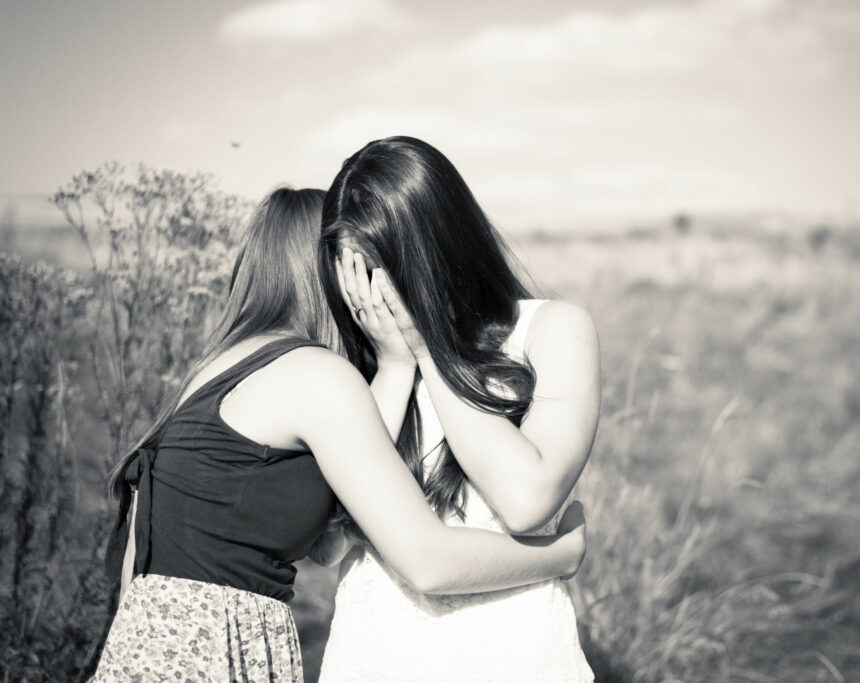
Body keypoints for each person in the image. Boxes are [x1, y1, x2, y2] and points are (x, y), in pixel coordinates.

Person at [90, 187, 587, 682]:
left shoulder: (214, 370)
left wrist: (393, 366)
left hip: (146, 643)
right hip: (212, 649)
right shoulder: (316, 376)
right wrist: (560, 555)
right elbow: (427, 560)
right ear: (335, 275)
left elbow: (330, 536)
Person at [314, 137, 600, 682]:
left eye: (385, 269)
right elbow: (323, 541)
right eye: (355, 274)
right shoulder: (363, 357)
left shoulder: (551, 330)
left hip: (514, 658)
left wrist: (430, 350)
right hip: (375, 660)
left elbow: (525, 501)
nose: (374, 296)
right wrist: (393, 369)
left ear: (438, 247)